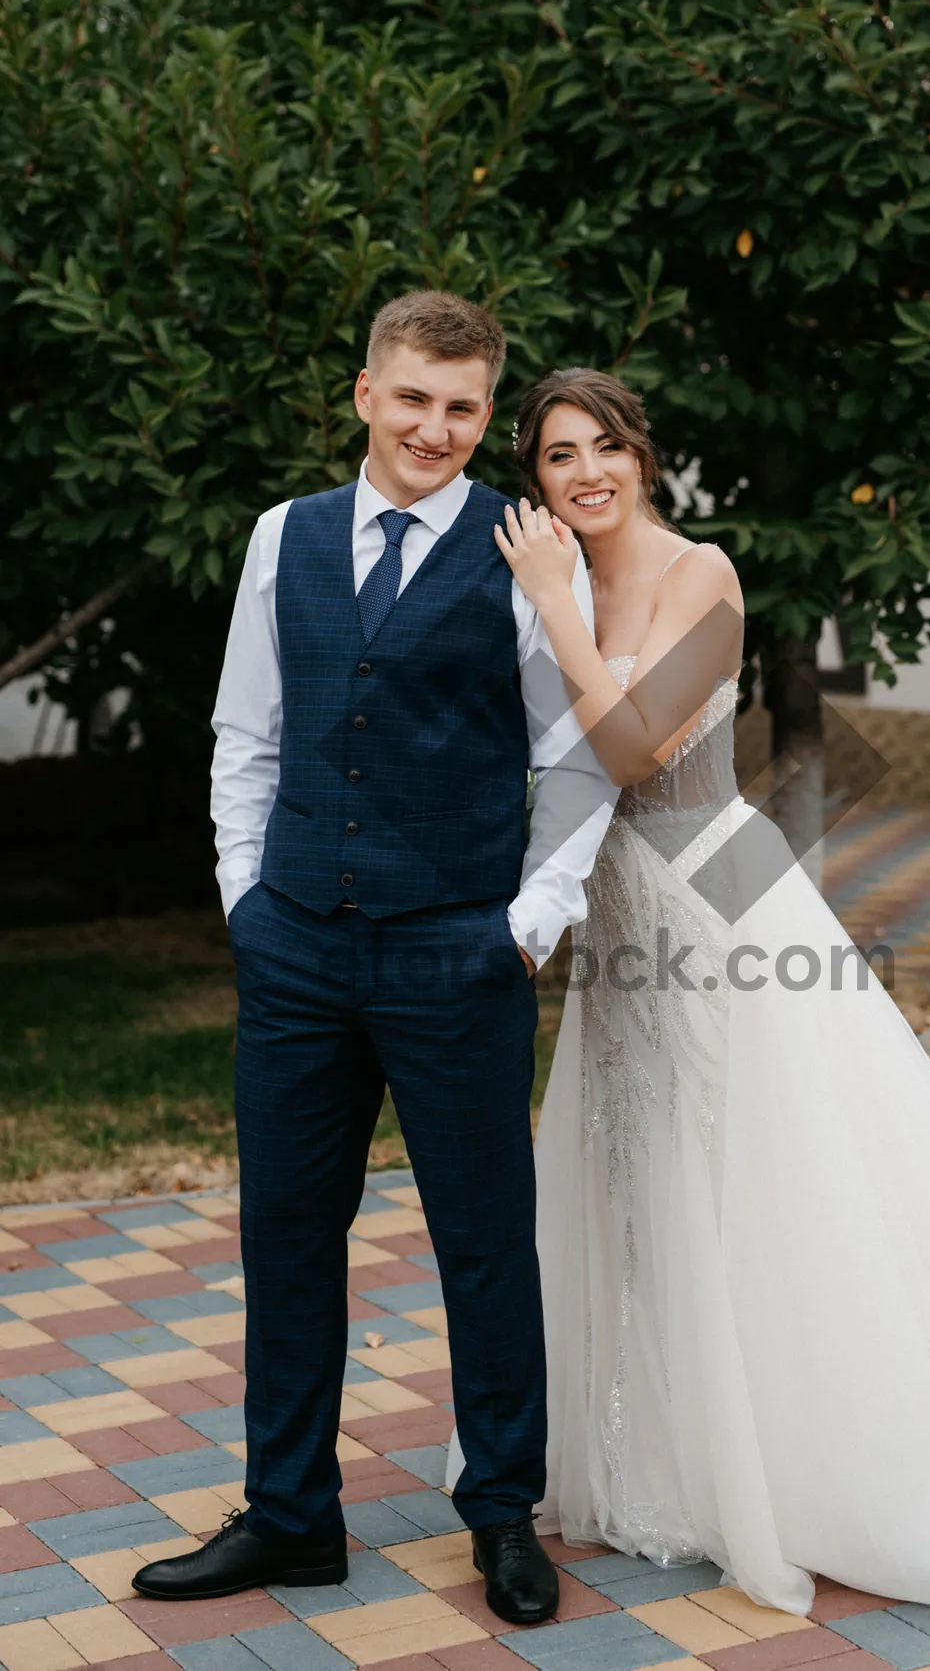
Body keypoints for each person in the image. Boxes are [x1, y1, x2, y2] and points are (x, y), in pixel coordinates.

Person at [492, 365, 930, 1620]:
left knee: (756, 1171)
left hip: (719, 905)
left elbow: (641, 748)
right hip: (615, 924)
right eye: (557, 456)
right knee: (632, 1168)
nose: (584, 472)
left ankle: (801, 1445)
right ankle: (652, 1441)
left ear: (643, 455)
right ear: (535, 477)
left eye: (603, 446)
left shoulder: (698, 572)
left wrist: (551, 604)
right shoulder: (557, 583)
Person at [132, 297, 616, 1623]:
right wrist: (246, 896)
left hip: (454, 950)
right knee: (286, 1237)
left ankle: (504, 1513)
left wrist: (523, 926)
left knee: (482, 1246)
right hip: (294, 944)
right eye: (414, 399)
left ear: (483, 413)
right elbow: (247, 730)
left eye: (462, 408)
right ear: (365, 393)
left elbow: (575, 763)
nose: (435, 430)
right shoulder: (281, 536)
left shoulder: (528, 549)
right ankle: (291, 1514)